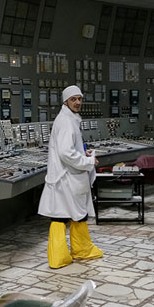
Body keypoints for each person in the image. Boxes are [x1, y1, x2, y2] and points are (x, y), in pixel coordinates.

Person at [38, 85, 104, 268]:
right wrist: (88, 162)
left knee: (78, 215)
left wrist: (83, 151)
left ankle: (82, 249)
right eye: (73, 99)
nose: (77, 103)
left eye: (79, 99)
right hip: (66, 178)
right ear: (65, 101)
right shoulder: (66, 121)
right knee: (61, 216)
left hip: (71, 177)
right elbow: (66, 153)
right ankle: (59, 257)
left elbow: (70, 147)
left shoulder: (71, 118)